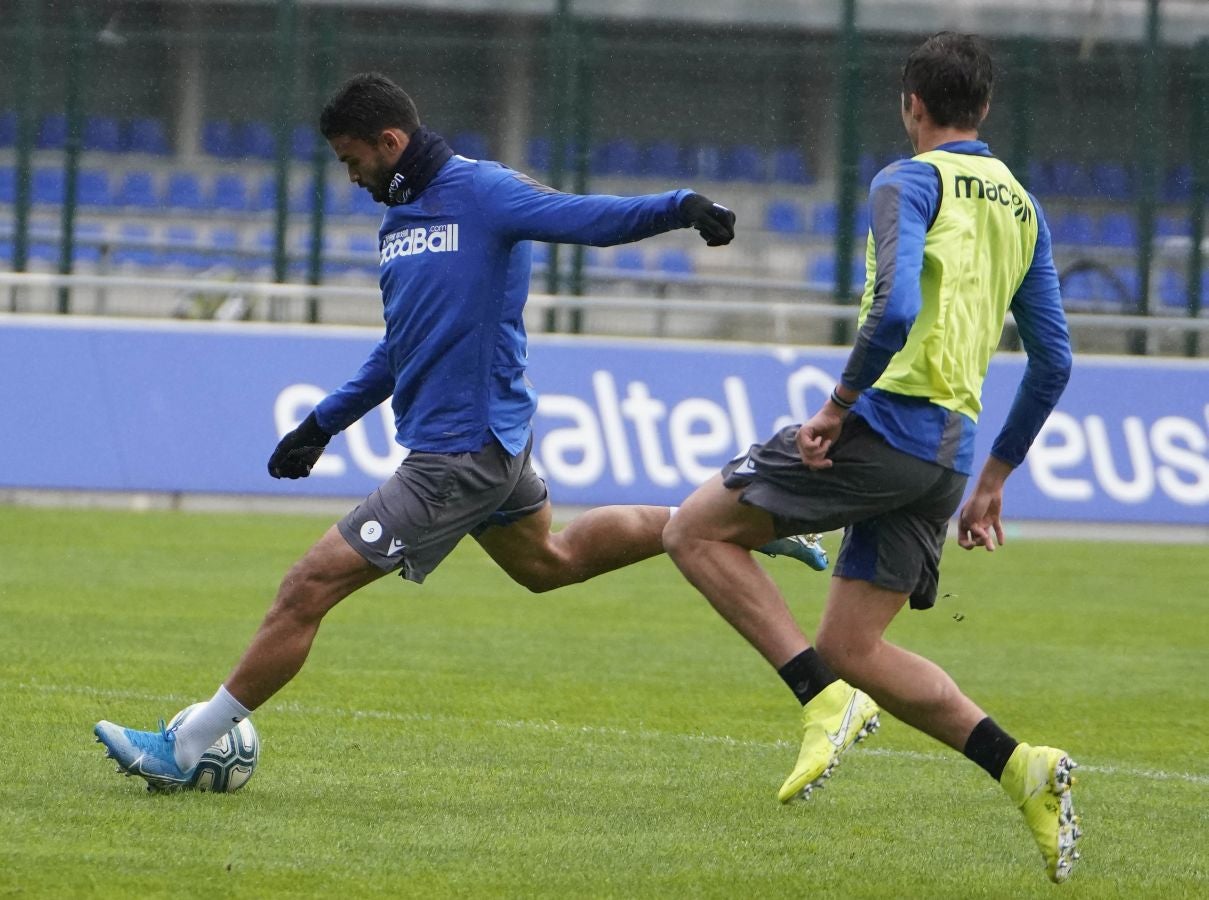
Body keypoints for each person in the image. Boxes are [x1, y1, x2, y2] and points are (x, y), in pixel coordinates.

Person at [93, 72, 827, 792]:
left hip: (461, 454)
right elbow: (399, 348)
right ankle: (727, 522)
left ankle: (185, 747)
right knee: (551, 561)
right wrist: (322, 424)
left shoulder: (482, 191)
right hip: (484, 449)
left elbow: (583, 217)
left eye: (353, 160)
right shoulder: (397, 224)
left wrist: (681, 206)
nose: (351, 177)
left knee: (306, 587)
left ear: (389, 142)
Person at [662, 33, 1079, 883]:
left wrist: (836, 406)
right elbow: (1053, 361)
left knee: (693, 531)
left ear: (909, 105)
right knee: (855, 644)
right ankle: (1020, 768)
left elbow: (892, 311)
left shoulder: (907, 180)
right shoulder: (1022, 206)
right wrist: (994, 479)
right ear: (984, 108)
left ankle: (820, 697)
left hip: (884, 425)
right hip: (947, 461)